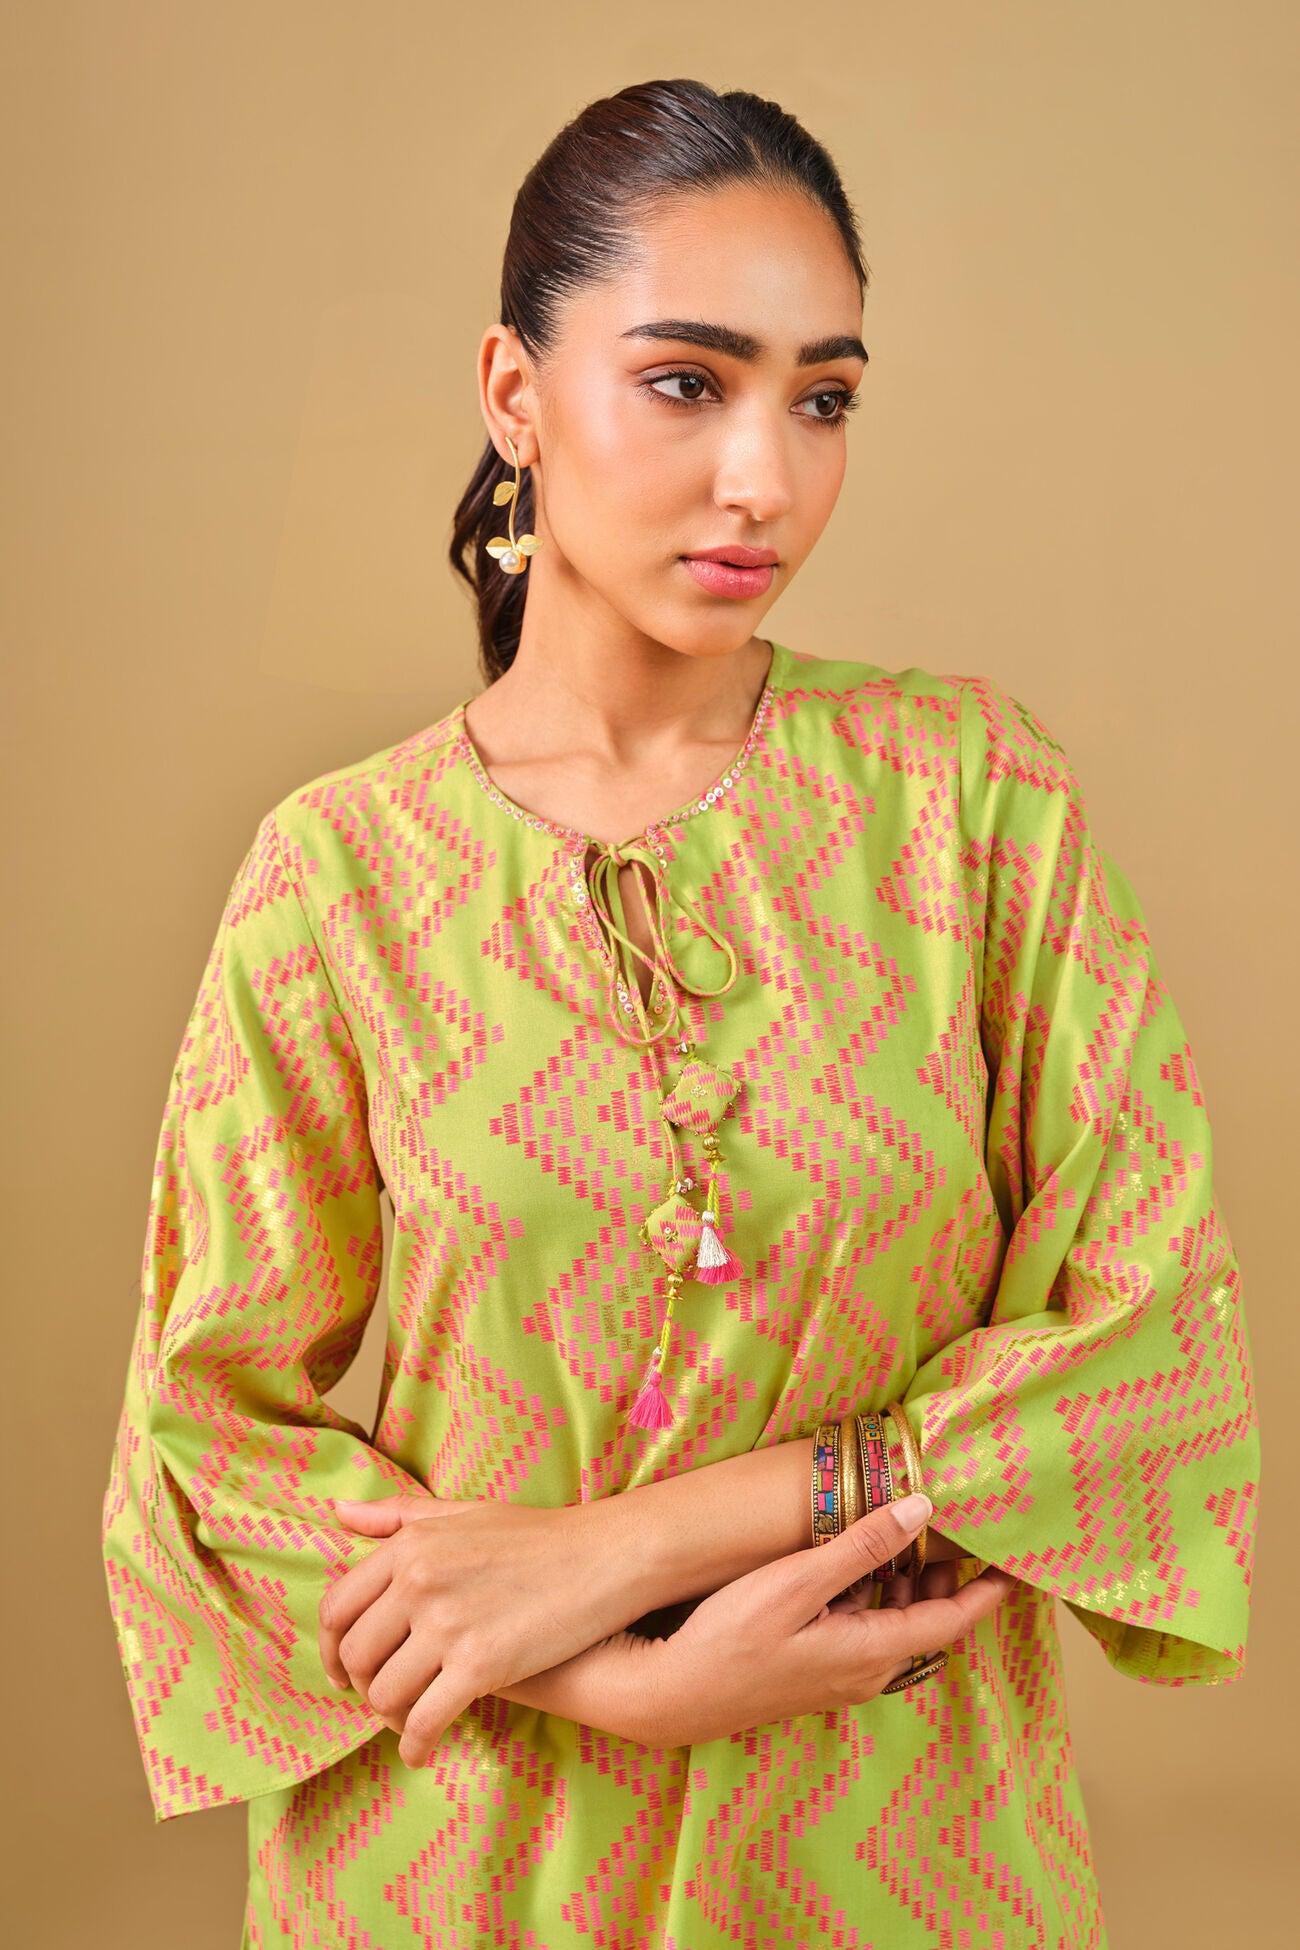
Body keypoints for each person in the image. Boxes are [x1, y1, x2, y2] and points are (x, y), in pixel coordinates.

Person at [101, 78, 1258, 1949]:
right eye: (685, 381)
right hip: (466, 1856)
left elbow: (1148, 1359)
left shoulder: (971, 802)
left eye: (823, 399)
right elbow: (209, 1446)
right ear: (513, 396)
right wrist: (602, 1673)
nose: (766, 479)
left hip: (906, 1837)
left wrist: (625, 1545)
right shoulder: (339, 875)